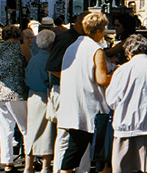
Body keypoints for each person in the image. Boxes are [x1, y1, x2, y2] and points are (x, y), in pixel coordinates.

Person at [106, 35, 147, 173]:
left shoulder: (122, 70)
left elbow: (111, 100)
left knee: (125, 168)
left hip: (128, 126)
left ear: (129, 53)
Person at [58, 12, 114, 173]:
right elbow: (102, 79)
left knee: (73, 151)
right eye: (104, 29)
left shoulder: (72, 47)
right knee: (101, 156)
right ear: (98, 31)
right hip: (92, 109)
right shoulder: (96, 50)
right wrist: (118, 72)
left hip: (72, 105)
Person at [0, 25, 35, 173]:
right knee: (26, 129)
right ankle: (29, 162)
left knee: (5, 129)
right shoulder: (22, 48)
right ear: (19, 36)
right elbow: (31, 65)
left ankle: (8, 163)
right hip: (16, 92)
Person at [45, 11, 91, 173]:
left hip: (71, 90)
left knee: (78, 134)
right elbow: (52, 67)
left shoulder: (79, 39)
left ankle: (76, 169)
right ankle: (61, 169)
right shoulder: (66, 39)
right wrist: (72, 79)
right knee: (66, 134)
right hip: (65, 90)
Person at [24, 29, 56, 173]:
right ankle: (45, 166)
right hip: (45, 96)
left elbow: (26, 77)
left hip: (32, 96)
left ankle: (28, 166)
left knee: (31, 131)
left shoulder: (34, 58)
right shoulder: (50, 59)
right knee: (47, 132)